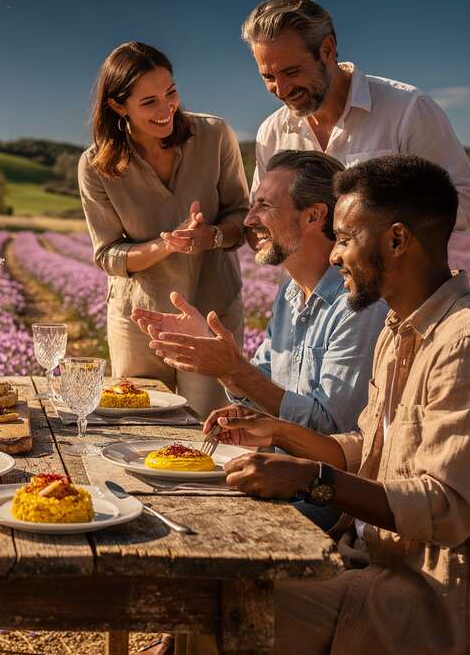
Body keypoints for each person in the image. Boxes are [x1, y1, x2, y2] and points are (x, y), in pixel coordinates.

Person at [185, 154, 470, 655]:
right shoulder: (399, 327)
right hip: (394, 564)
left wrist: (311, 479)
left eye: (344, 238)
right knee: (215, 590)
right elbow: (374, 447)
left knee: (217, 611)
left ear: (397, 240)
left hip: (456, 601)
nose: (334, 254)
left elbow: (445, 507)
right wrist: (278, 431)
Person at [134, 150, 388, 532]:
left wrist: (235, 370)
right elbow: (263, 390)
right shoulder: (289, 293)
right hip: (274, 479)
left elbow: (333, 436)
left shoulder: (359, 306)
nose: (249, 220)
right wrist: (223, 362)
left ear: (314, 216)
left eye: (264, 206)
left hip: (323, 500)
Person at [79, 41, 248, 417]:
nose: (166, 108)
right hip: (140, 319)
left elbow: (241, 216)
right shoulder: (95, 166)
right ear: (118, 106)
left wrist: (212, 236)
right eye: (149, 102)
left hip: (212, 311)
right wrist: (167, 245)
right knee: (141, 423)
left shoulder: (214, 135)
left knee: (212, 427)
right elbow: (108, 255)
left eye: (170, 93)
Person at [243, 0, 470, 230]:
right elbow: (259, 221)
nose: (281, 89)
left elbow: (464, 203)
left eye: (292, 72)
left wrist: (374, 228)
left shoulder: (407, 108)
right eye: (269, 77)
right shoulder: (270, 132)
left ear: (327, 50)